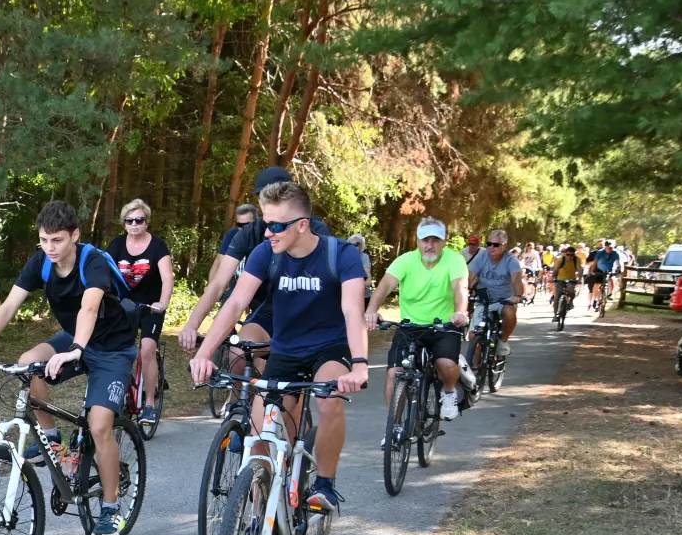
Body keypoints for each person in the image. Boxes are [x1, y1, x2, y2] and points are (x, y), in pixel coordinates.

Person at [0, 201, 137, 535]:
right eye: (44, 240)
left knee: (100, 427)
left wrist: (77, 351)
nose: (50, 248)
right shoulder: (40, 262)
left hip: (112, 348)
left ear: (75, 236)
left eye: (57, 240)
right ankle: (51, 442)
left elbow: (89, 307)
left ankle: (112, 509)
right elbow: (8, 307)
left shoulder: (93, 262)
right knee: (28, 363)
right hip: (74, 340)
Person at [188, 180, 369, 511]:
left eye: (276, 225)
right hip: (286, 349)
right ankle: (259, 522)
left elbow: (352, 311)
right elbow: (235, 302)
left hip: (330, 347)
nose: (267, 232)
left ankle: (325, 485)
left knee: (329, 401)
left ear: (302, 225)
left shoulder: (341, 255)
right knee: (260, 437)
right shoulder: (265, 253)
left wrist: (358, 365)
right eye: (265, 222)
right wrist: (203, 354)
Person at [180, 167, 332, 372]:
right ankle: (246, 401)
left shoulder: (314, 229)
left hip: (303, 306)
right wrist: (191, 325)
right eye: (263, 196)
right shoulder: (250, 232)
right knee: (238, 354)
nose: (269, 201)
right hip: (265, 306)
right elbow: (218, 285)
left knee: (288, 379)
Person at [364, 217, 470, 422]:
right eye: (425, 240)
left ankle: (448, 392)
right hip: (410, 327)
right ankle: (393, 428)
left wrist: (460, 312)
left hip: (444, 326)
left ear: (444, 242)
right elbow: (385, 285)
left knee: (446, 365)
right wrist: (371, 310)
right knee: (395, 374)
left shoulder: (454, 260)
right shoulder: (405, 260)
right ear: (417, 241)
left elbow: (460, 288)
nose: (430, 245)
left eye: (435, 240)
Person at [106, 199, 175, 426]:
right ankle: (118, 395)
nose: (134, 224)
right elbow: (103, 273)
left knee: (146, 349)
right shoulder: (116, 245)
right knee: (116, 348)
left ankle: (149, 403)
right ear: (124, 223)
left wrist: (162, 302)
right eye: (130, 220)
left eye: (139, 220)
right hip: (124, 306)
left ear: (146, 222)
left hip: (150, 307)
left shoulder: (158, 246)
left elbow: (167, 277)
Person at [466, 228, 523, 357]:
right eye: (488, 244)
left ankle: (503, 342)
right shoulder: (481, 257)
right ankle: (475, 371)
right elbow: (469, 278)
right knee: (473, 335)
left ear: (504, 246)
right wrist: (463, 291)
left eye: (496, 245)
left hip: (504, 300)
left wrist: (518, 296)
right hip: (484, 299)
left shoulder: (511, 260)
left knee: (510, 311)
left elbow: (517, 281)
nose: (491, 247)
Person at [589, 239, 623, 310]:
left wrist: (619, 269)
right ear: (605, 247)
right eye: (608, 247)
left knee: (610, 280)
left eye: (611, 247)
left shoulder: (615, 254)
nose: (610, 249)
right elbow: (595, 261)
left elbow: (618, 263)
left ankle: (609, 294)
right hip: (599, 270)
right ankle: (595, 300)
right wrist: (592, 269)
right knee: (597, 284)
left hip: (608, 270)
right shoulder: (600, 253)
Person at [552, 244, 582, 319]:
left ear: (574, 254)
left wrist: (579, 279)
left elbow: (579, 270)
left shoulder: (577, 259)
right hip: (559, 279)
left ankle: (570, 301)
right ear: (565, 253)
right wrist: (552, 278)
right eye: (567, 254)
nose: (569, 256)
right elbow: (555, 270)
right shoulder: (561, 259)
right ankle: (555, 315)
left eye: (571, 255)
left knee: (571, 291)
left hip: (571, 279)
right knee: (557, 297)